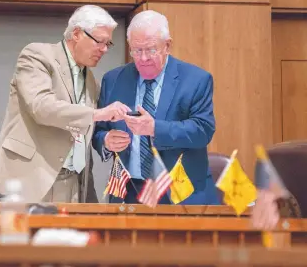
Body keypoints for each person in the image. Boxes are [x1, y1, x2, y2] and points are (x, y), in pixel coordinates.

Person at [0, 5, 130, 203]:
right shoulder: (37, 56)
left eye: (108, 44)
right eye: (100, 41)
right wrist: (97, 114)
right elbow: (41, 107)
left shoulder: (91, 81)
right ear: (77, 34)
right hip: (30, 178)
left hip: (74, 185)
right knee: (21, 235)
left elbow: (82, 134)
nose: (104, 49)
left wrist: (105, 139)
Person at [92, 10, 220, 205]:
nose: (143, 58)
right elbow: (99, 131)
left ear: (167, 45)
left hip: (181, 194)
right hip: (130, 193)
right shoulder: (113, 80)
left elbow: (203, 130)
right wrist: (107, 140)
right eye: (136, 50)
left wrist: (154, 128)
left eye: (151, 50)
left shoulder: (195, 80)